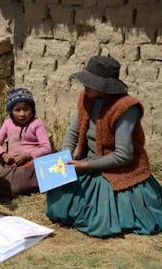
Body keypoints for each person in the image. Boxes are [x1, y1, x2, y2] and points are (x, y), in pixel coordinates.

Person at [46, 55, 162, 237]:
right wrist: (65, 157)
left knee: (95, 219)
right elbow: (73, 132)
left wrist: (84, 165)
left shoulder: (125, 108)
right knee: (58, 204)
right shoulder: (87, 98)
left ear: (104, 86)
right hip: (90, 163)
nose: (84, 85)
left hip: (120, 169)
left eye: (90, 82)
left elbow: (124, 155)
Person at [0, 87, 52, 202]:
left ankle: (23, 188)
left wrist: (28, 155)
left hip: (31, 164)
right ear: (10, 111)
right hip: (13, 164)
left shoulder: (37, 124)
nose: (22, 114)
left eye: (26, 109)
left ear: (32, 110)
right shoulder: (7, 124)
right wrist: (3, 153)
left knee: (18, 185)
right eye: (17, 110)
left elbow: (46, 148)